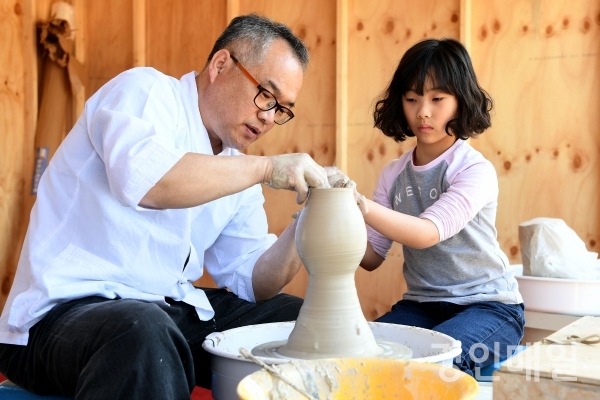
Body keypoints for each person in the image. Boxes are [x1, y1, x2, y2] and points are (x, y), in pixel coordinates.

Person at [0, 14, 331, 399]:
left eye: (281, 109)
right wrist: (267, 168)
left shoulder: (237, 164)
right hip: (59, 318)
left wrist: (312, 216)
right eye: (266, 95)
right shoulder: (146, 91)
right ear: (221, 64)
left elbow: (253, 281)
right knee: (141, 330)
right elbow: (150, 182)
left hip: (161, 309)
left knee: (306, 323)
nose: (269, 116)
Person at [356, 38, 525, 377]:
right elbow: (371, 257)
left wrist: (357, 205)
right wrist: (329, 218)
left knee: (432, 367)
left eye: (437, 99)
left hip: (489, 308)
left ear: (461, 101)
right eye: (412, 99)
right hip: (422, 307)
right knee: (361, 356)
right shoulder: (392, 174)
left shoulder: (474, 169)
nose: (423, 112)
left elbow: (426, 233)